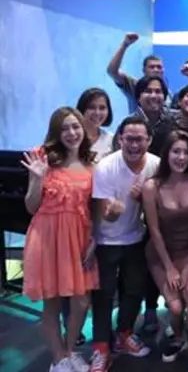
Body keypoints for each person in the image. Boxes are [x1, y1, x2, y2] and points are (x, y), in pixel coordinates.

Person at [22, 107, 98, 372]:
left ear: (83, 129)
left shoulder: (91, 165)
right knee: (52, 301)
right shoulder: (42, 158)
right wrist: (37, 179)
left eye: (75, 126)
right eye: (64, 128)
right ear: (56, 132)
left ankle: (69, 350)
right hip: (47, 238)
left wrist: (94, 241)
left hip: (79, 238)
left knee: (81, 302)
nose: (71, 133)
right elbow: (31, 206)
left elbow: (94, 209)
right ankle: (58, 359)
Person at [90, 116, 161, 372]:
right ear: (120, 139)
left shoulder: (156, 164)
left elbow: (161, 203)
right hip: (105, 240)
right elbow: (104, 213)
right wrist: (113, 212)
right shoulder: (106, 167)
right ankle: (100, 348)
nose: (134, 145)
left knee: (134, 290)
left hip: (136, 238)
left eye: (139, 139)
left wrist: (144, 198)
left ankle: (124, 333)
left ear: (149, 140)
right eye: (129, 139)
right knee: (104, 294)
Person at [141, 130, 188, 371]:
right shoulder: (151, 186)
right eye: (176, 151)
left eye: (186, 152)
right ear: (167, 154)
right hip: (160, 253)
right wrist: (169, 268)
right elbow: (153, 230)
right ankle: (178, 336)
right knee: (175, 307)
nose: (181, 157)